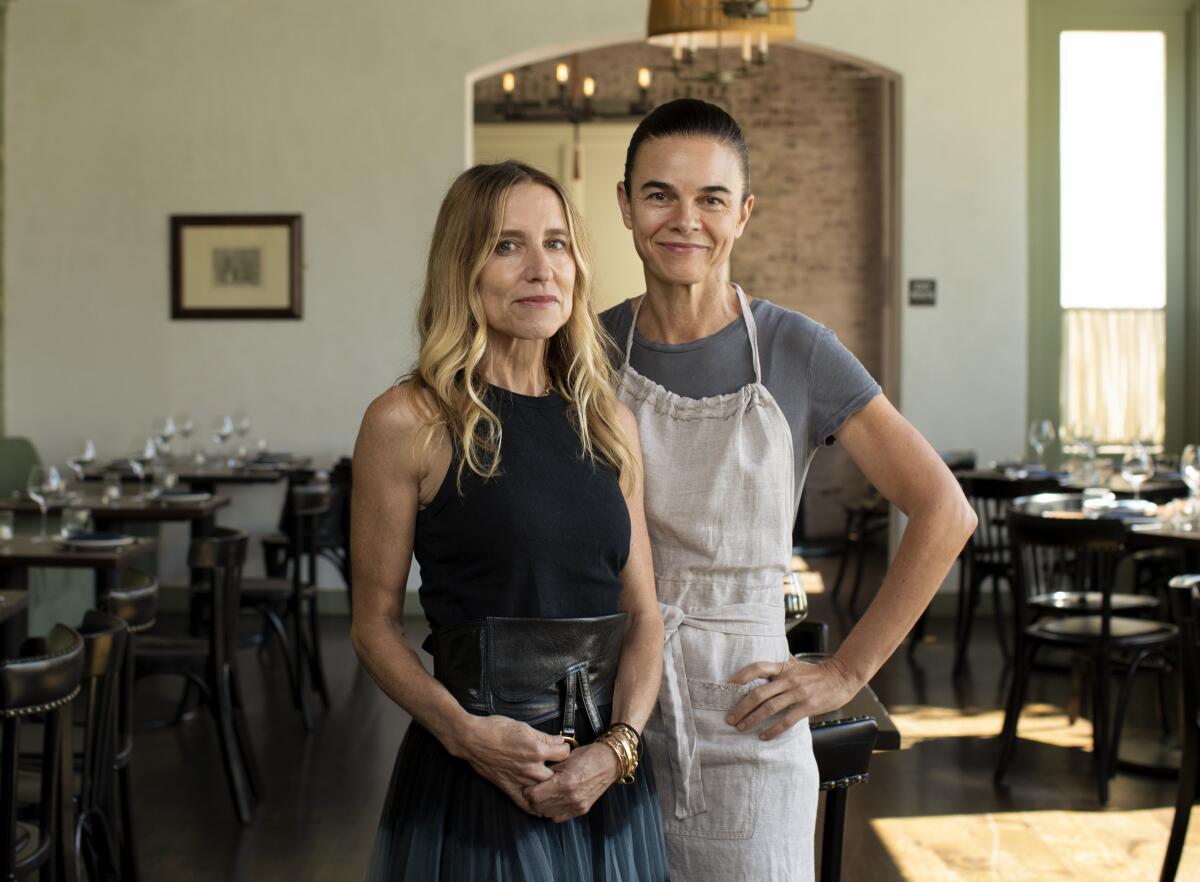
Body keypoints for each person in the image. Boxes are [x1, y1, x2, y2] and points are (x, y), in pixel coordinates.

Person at [600, 99, 977, 881]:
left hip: (751, 716)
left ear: (744, 214)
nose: (685, 219)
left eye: (711, 198)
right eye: (660, 194)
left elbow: (945, 510)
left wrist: (845, 672)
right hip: (614, 714)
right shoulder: (589, 350)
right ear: (626, 206)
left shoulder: (795, 348)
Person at [352, 160, 669, 881]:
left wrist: (616, 748)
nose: (541, 268)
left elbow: (645, 614)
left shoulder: (608, 421)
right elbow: (371, 626)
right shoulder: (408, 421)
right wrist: (466, 737)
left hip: (604, 786)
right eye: (507, 245)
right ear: (462, 267)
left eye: (557, 243)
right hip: (476, 780)